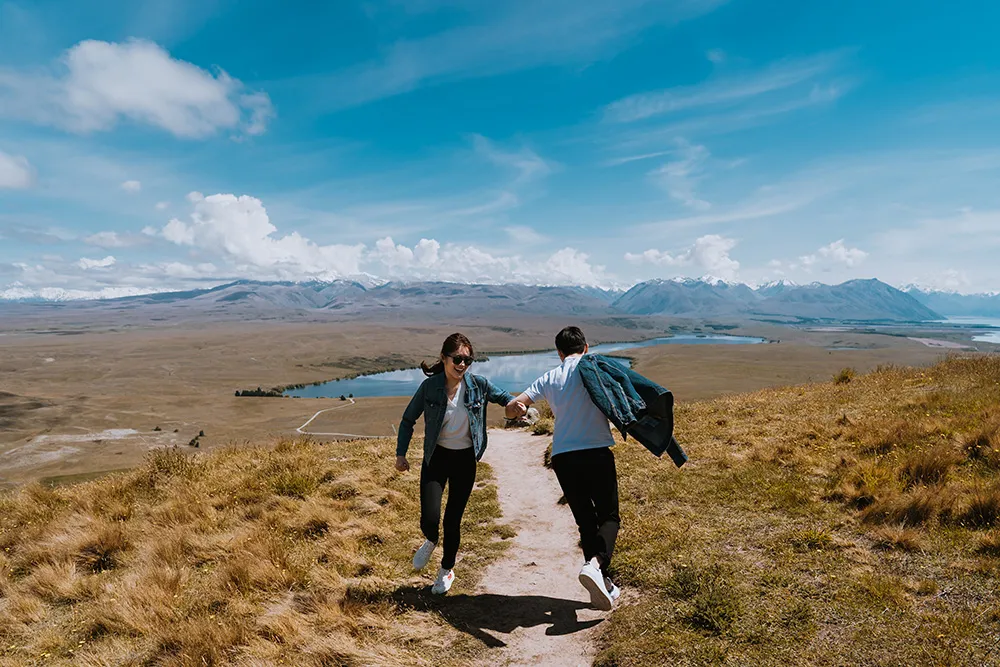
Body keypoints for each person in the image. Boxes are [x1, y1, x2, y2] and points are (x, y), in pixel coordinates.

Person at [505, 326, 623, 611]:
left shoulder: (549, 377)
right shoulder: (595, 369)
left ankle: (603, 584)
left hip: (563, 457)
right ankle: (595, 565)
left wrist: (517, 410)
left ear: (559, 353)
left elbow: (513, 407)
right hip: (596, 451)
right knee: (609, 517)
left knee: (586, 521)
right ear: (586, 347)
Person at [396, 333, 515, 594]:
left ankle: (446, 570)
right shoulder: (430, 387)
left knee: (452, 520)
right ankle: (430, 539)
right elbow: (407, 420)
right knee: (430, 517)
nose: (462, 364)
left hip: (464, 460)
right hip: (436, 458)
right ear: (444, 358)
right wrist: (400, 454)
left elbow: (505, 397)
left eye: (467, 360)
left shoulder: (478, 385)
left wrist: (517, 406)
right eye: (457, 359)